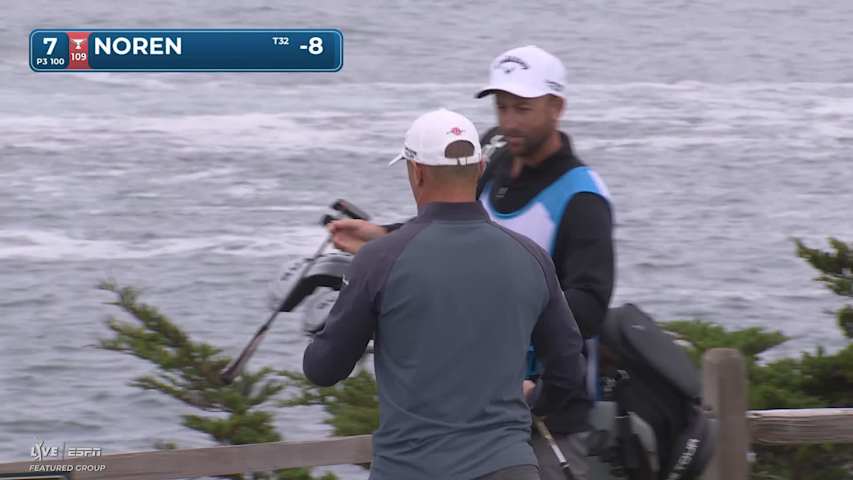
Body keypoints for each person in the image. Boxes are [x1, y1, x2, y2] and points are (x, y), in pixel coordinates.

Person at [327, 46, 615, 480]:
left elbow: (590, 303)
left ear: (557, 108)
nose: (510, 121)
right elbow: (455, 229)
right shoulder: (493, 166)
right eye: (502, 106)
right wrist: (384, 235)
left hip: (547, 412)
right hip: (471, 412)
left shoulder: (583, 197)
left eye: (523, 108)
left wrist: (508, 339)